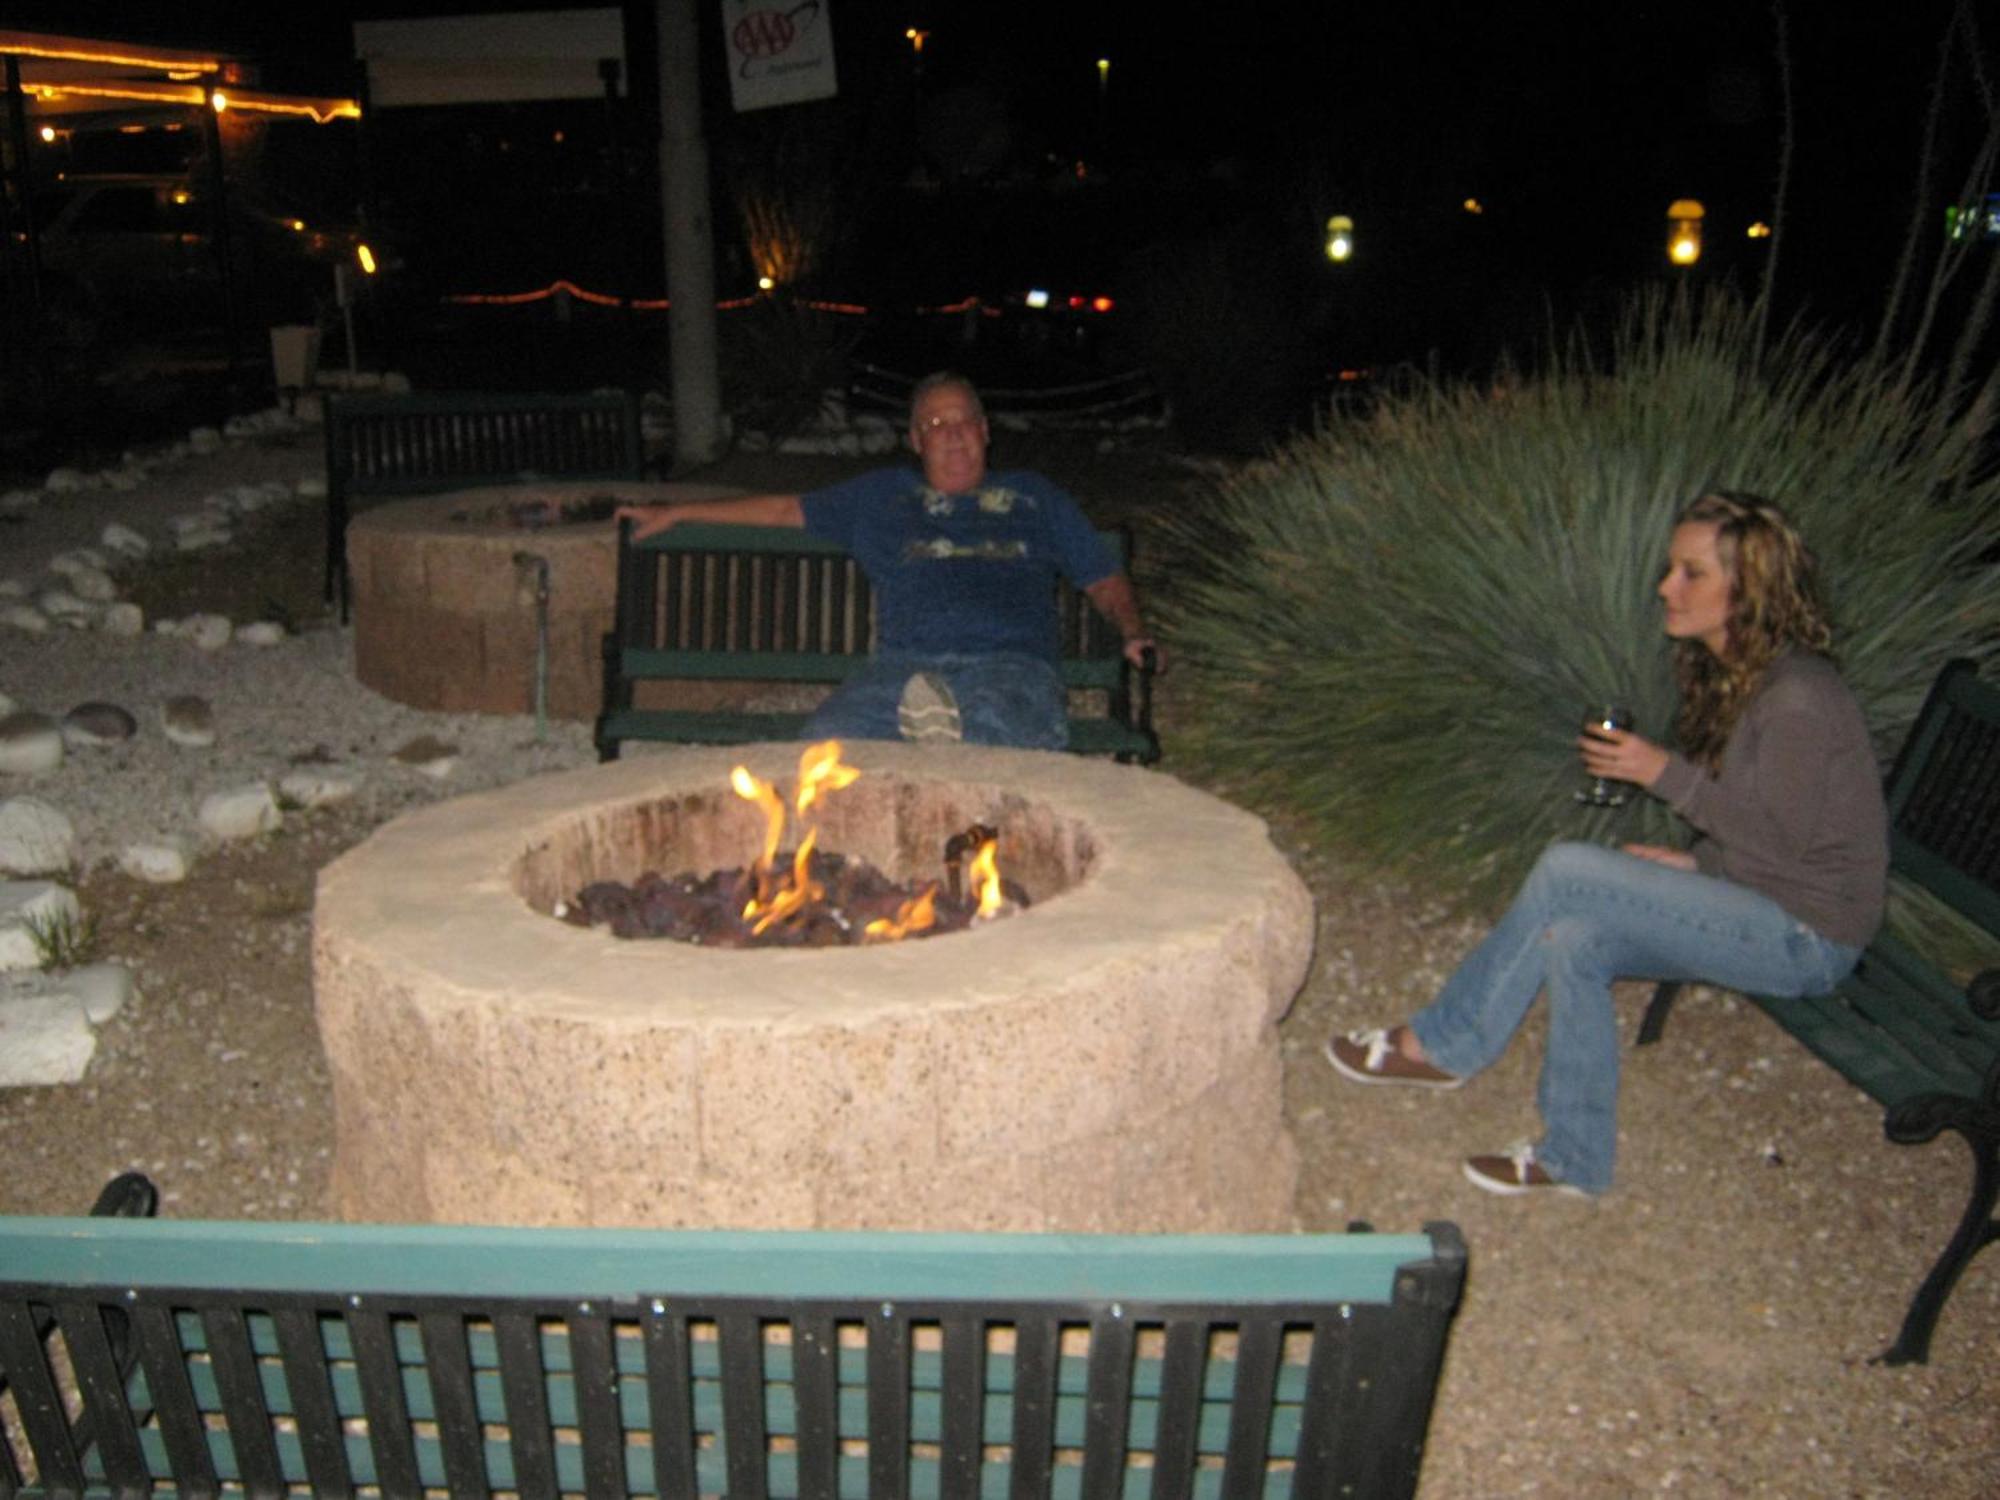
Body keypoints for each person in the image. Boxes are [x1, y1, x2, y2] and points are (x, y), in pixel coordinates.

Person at [1325, 493, 1888, 1197]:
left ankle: (1445, 1044)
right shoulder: (1748, 676)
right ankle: (1575, 1160)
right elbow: (1777, 829)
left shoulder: (1797, 698)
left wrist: (1661, 773)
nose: (1665, 588)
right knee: (1575, 936)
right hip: (1765, 901)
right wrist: (1697, 863)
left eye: (1691, 574)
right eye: (1669, 569)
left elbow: (1785, 844)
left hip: (1807, 937)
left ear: (1749, 590)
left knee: (1567, 869)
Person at [614, 372, 1158, 749]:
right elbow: (783, 509)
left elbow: (1102, 576)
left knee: (995, 739)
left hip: (1011, 666)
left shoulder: (1035, 496)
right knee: (829, 746)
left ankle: (955, 828)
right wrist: (681, 511)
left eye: (964, 421)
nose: (954, 436)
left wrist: (1132, 631)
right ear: (918, 441)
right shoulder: (880, 498)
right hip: (904, 672)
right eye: (937, 425)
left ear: (985, 430)